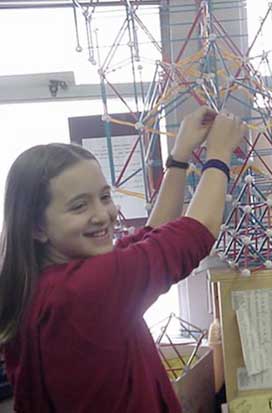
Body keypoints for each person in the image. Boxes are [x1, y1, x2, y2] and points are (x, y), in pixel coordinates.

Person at [0, 106, 246, 412]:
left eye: (104, 197)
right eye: (79, 206)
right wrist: (219, 155)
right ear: (37, 227)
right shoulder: (81, 291)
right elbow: (195, 235)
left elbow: (151, 236)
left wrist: (179, 156)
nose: (103, 215)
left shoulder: (47, 282)